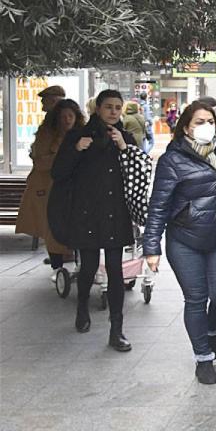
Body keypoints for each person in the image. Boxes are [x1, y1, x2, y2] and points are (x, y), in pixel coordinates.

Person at [142, 100, 216, 385]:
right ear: (187, 128)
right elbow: (158, 206)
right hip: (184, 242)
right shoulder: (172, 160)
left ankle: (210, 328)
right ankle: (203, 357)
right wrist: (151, 247)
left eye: (210, 121)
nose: (206, 127)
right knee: (195, 299)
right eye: (199, 122)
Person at [49, 90, 136, 352]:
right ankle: (82, 306)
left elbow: (140, 172)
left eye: (117, 108)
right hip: (87, 213)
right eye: (108, 107)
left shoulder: (125, 137)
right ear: (97, 109)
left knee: (116, 270)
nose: (113, 112)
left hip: (115, 213)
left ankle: (116, 330)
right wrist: (76, 150)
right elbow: (59, 172)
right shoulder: (78, 136)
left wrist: (124, 147)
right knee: (87, 268)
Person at [16, 99, 85, 280]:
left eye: (70, 116)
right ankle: (57, 266)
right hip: (48, 189)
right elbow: (40, 162)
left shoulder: (82, 133)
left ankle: (79, 263)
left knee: (78, 225)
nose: (67, 120)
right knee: (51, 227)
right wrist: (67, 157)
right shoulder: (46, 135)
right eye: (63, 117)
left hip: (74, 188)